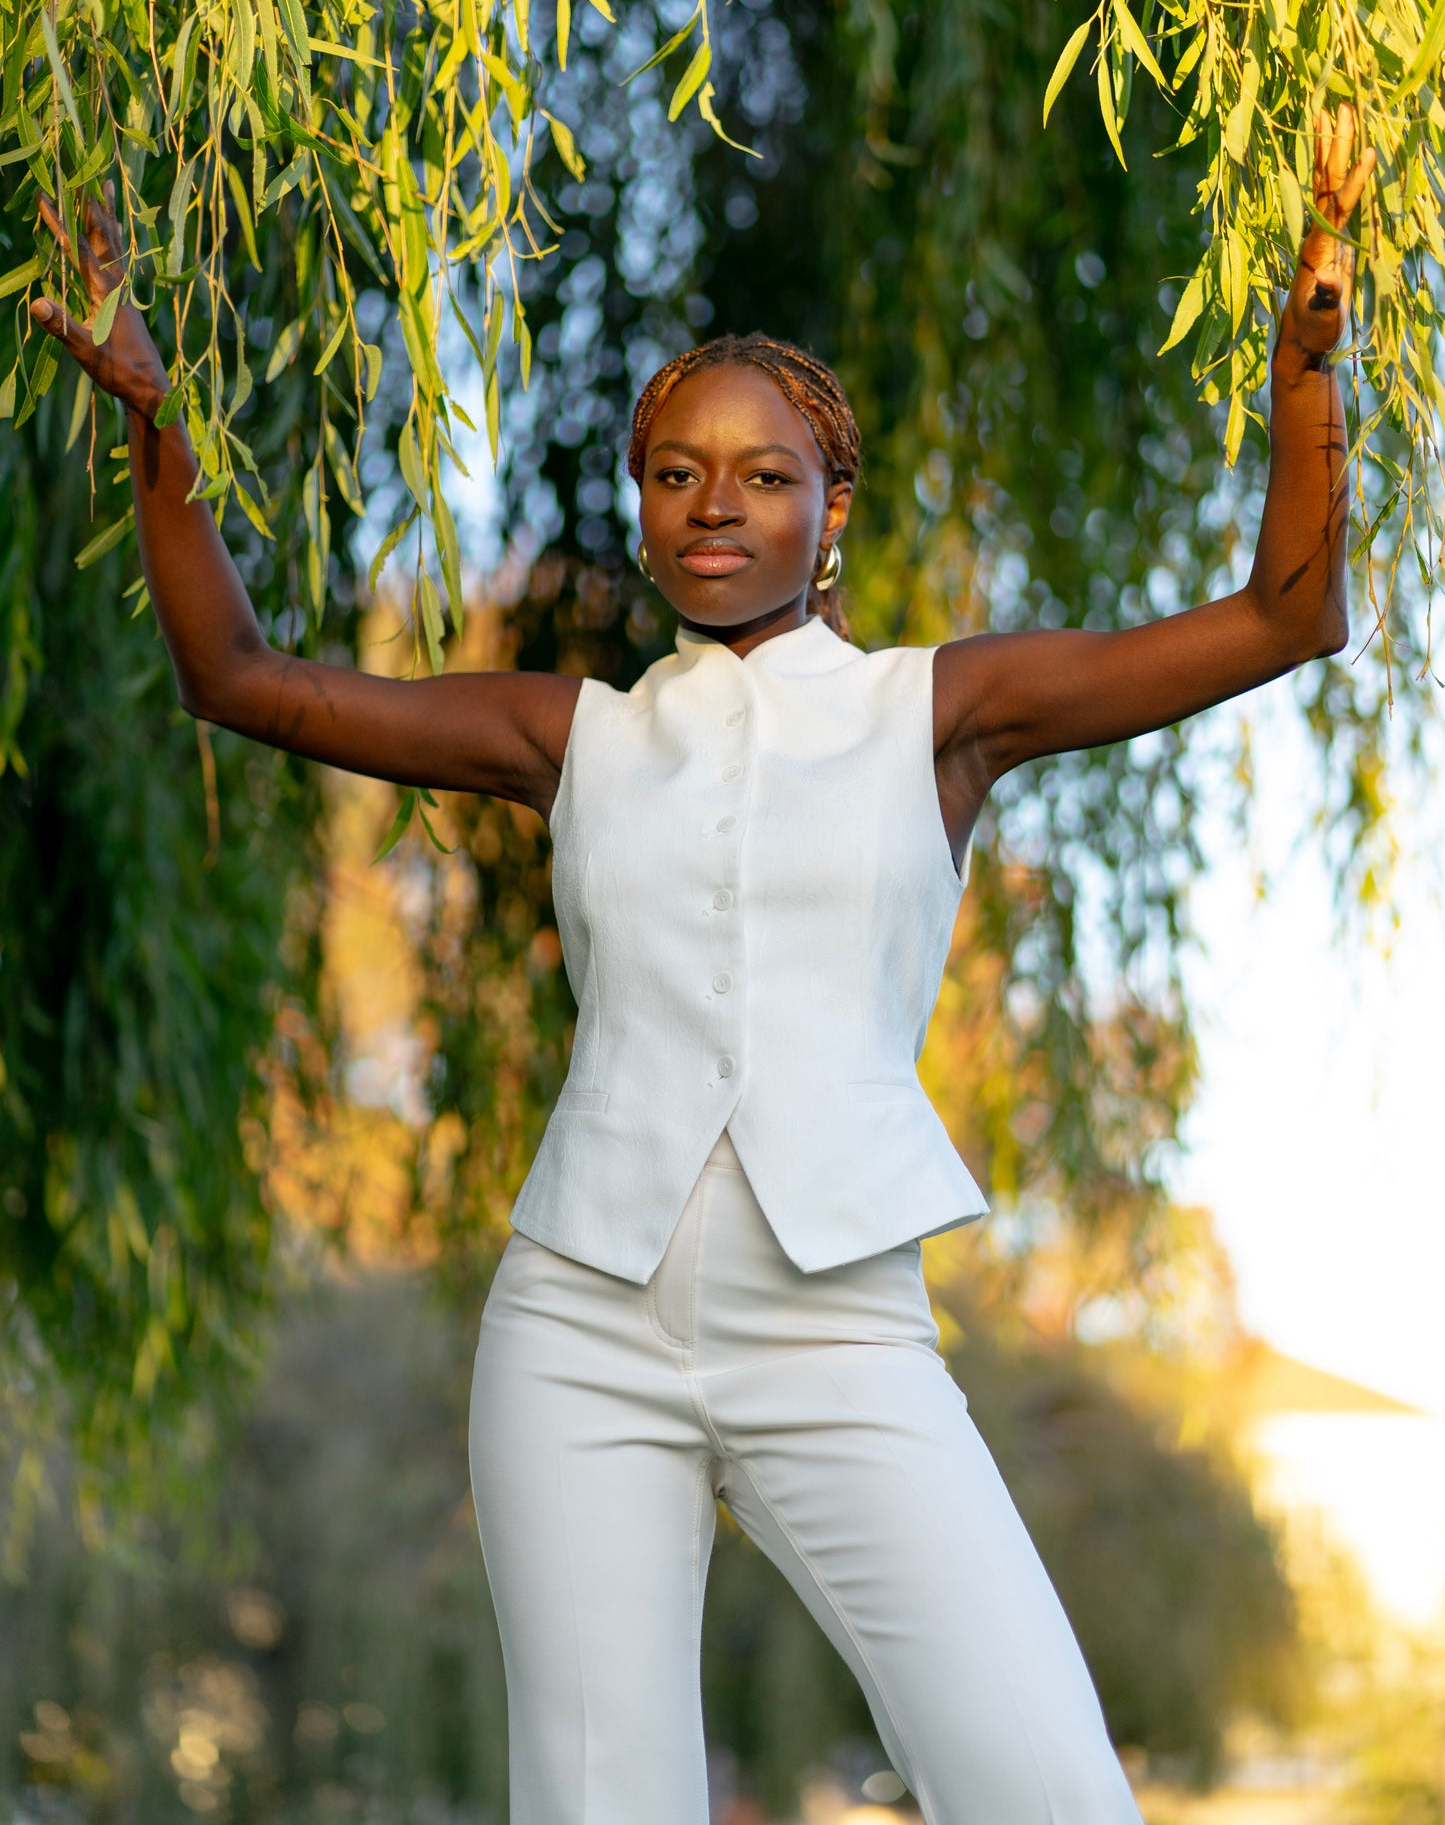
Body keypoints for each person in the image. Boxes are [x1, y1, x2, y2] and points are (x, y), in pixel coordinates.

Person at [28, 108, 1373, 1824]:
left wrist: (1303, 374)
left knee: (1044, 1788)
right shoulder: (573, 735)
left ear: (831, 510)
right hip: (579, 1329)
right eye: (675, 474)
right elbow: (239, 677)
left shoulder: (938, 713)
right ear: (645, 507)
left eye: (763, 475)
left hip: (837, 1329)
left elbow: (1283, 618)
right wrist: (155, 418)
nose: (714, 503)